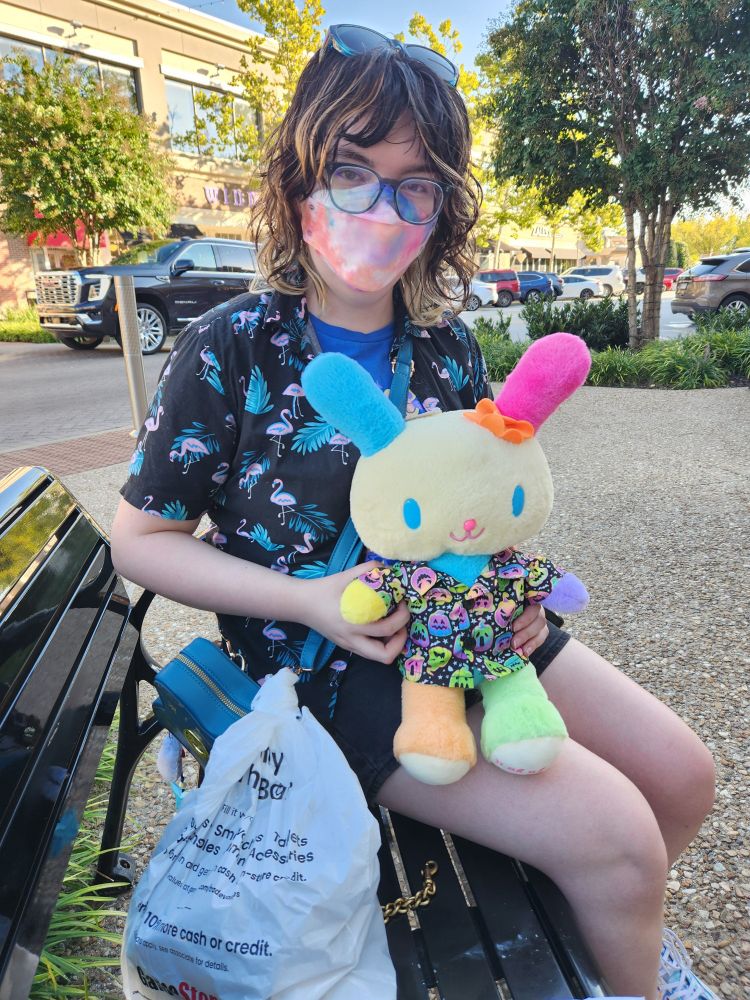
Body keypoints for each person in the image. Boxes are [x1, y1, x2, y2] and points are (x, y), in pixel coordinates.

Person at [111, 25, 716, 1000]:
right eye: (352, 169)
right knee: (620, 840)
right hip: (329, 671)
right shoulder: (231, 349)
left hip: (473, 628)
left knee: (682, 778)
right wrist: (308, 601)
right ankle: (623, 962)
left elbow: (476, 507)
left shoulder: (445, 349)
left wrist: (524, 596)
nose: (379, 207)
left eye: (414, 184)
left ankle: (607, 940)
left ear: (441, 208)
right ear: (301, 177)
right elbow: (139, 540)